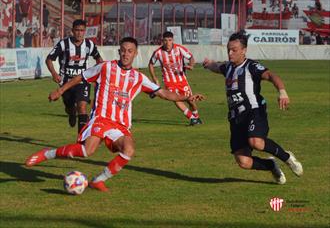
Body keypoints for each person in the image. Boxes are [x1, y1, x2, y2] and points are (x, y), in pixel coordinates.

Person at [25, 37, 204, 192]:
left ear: (135, 54)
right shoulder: (105, 68)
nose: (126, 54)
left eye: (130, 51)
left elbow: (163, 93)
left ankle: (98, 180)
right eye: (123, 51)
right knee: (88, 150)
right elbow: (81, 77)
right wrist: (60, 90)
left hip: (120, 125)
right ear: (119, 52)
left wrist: (186, 96)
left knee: (129, 149)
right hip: (101, 118)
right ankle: (46, 154)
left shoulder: (139, 78)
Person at [202, 31, 303, 184]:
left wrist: (282, 91)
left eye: (234, 50)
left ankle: (287, 158)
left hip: (254, 111)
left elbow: (271, 76)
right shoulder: (228, 67)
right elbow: (217, 67)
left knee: (256, 142)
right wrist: (209, 64)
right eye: (228, 49)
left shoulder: (251, 66)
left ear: (244, 50)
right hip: (236, 119)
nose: (230, 53)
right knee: (243, 161)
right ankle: (270, 165)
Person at [45, 19, 103, 133]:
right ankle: (71, 114)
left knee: (82, 107)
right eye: (77, 30)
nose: (79, 33)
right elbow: (49, 59)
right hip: (66, 83)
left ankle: (82, 140)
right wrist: (54, 73)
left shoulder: (89, 45)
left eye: (82, 30)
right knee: (70, 108)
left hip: (82, 81)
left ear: (84, 31)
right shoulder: (64, 44)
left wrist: (100, 73)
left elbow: (99, 59)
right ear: (72, 31)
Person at [149, 31, 202, 126]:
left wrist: (191, 65)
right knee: (175, 99)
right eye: (165, 40)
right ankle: (192, 118)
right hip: (169, 81)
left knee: (190, 100)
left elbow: (191, 57)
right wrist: (155, 79)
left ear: (172, 40)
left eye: (169, 40)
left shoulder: (179, 49)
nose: (167, 43)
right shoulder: (158, 52)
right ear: (162, 41)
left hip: (182, 80)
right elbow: (151, 64)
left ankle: (196, 117)